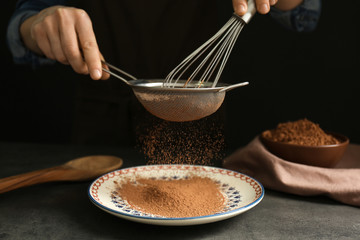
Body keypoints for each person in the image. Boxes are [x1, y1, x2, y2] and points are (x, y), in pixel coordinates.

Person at [7, 0, 321, 146]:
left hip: (196, 124)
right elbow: (23, 20)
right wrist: (36, 25)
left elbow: (304, 15)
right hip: (101, 124)